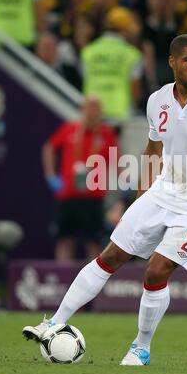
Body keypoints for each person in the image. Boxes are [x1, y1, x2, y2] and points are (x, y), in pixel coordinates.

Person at [23, 34, 187, 365]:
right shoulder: (157, 101)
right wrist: (139, 200)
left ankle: (141, 347)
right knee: (109, 257)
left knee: (155, 271)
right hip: (162, 192)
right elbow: (154, 150)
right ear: (172, 63)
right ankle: (52, 324)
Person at [42, 96, 118, 262]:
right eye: (88, 108)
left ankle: (93, 283)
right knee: (64, 240)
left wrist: (117, 193)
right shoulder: (70, 129)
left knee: (94, 242)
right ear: (82, 110)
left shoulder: (106, 134)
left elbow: (117, 163)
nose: (91, 113)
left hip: (93, 198)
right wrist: (51, 175)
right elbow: (49, 148)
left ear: (100, 112)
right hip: (67, 195)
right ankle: (62, 280)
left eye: (95, 108)